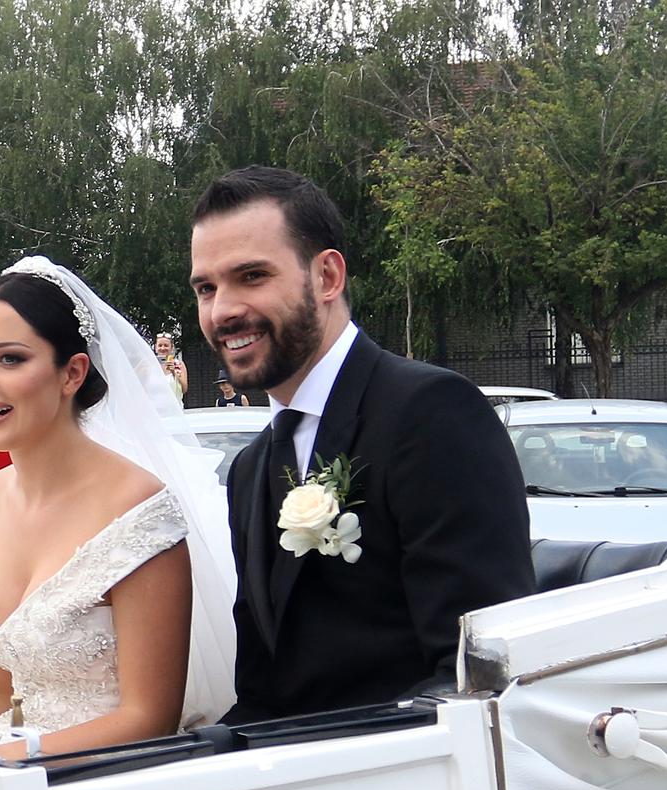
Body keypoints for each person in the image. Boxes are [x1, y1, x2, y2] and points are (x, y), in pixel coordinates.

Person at [189, 166, 534, 723]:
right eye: (206, 288)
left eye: (251, 276)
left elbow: (474, 673)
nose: (222, 310)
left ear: (327, 276)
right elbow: (262, 687)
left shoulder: (433, 415)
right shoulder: (251, 469)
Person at [0, 257, 236, 759]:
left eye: (9, 359)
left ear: (72, 373)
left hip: (101, 783)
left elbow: (148, 719)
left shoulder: (138, 511)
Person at [155, 333, 188, 401]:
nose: (162, 348)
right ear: (156, 348)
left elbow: (184, 389)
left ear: (172, 348)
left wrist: (174, 373)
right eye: (160, 345)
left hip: (173, 405)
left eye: (166, 345)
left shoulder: (179, 365)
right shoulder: (149, 365)